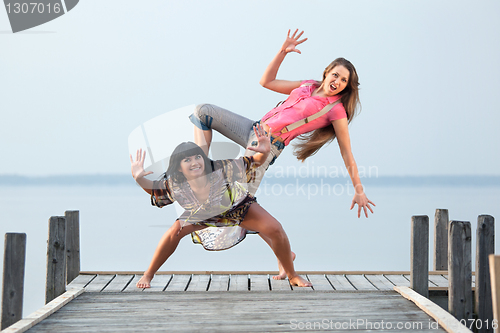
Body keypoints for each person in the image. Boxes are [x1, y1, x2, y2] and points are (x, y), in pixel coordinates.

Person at [191, 29, 375, 219]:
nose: (338, 81)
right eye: (336, 75)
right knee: (203, 111)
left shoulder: (336, 111)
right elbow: (267, 81)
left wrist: (358, 190)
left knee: (237, 207)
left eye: (344, 80)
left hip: (268, 146)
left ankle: (285, 249)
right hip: (254, 128)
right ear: (327, 72)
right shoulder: (308, 85)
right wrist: (283, 52)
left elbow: (346, 152)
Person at [130, 124, 312, 288]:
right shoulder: (176, 183)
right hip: (201, 214)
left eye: (197, 157)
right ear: (179, 167)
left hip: (237, 208)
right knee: (173, 232)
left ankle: (292, 274)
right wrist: (139, 178)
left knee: (275, 228)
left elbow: (255, 161)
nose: (194, 162)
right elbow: (155, 192)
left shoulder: (222, 168)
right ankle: (148, 275)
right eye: (187, 160)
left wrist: (264, 151)